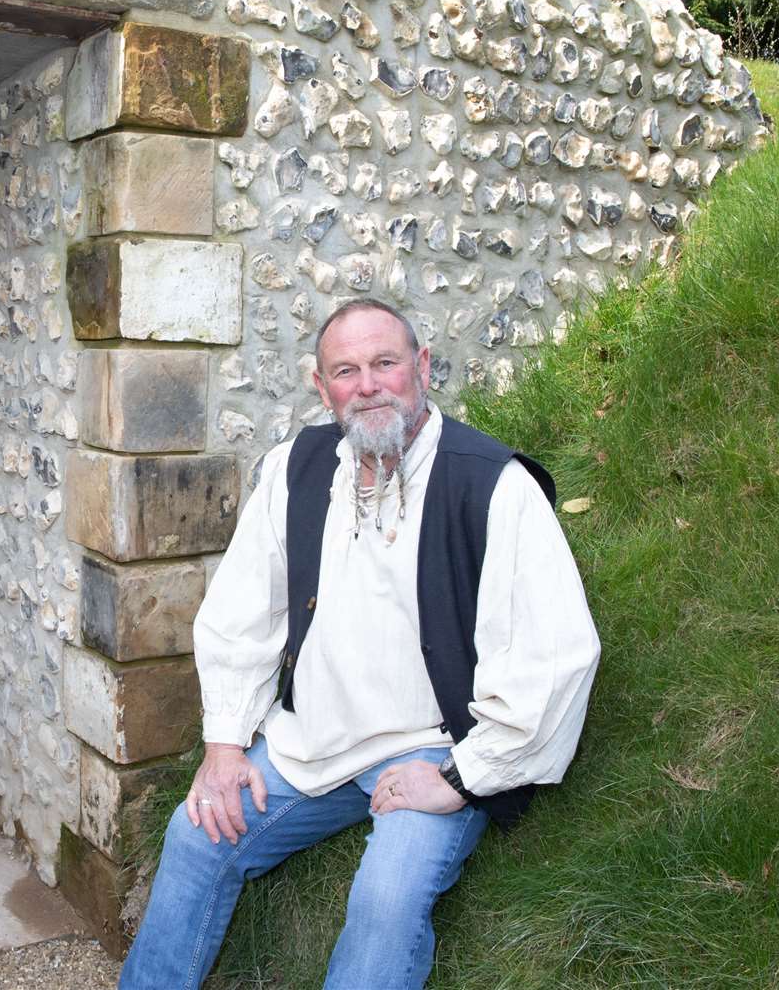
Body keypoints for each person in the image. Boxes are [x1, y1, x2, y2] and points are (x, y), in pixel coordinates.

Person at [120, 298, 601, 989]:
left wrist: (461, 776)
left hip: (435, 748)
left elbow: (556, 657)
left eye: (385, 363)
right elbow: (242, 611)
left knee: (383, 898)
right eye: (346, 370)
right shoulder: (297, 469)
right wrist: (225, 746)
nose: (368, 384)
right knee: (197, 835)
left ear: (422, 368)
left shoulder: (493, 484)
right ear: (322, 388)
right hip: (312, 741)